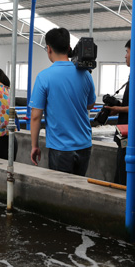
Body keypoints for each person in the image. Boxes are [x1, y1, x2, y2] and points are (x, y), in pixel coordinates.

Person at [29, 27, 96, 176]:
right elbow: (90, 105)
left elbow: (35, 116)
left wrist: (34, 146)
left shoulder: (44, 77)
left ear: (49, 49)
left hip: (60, 148)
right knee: (78, 186)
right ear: (69, 48)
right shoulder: (86, 74)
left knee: (60, 189)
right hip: (84, 145)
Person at [104, 37, 135, 185]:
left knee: (124, 179)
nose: (125, 56)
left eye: (127, 51)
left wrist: (118, 109)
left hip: (129, 137)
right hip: (127, 135)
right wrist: (119, 107)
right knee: (121, 176)